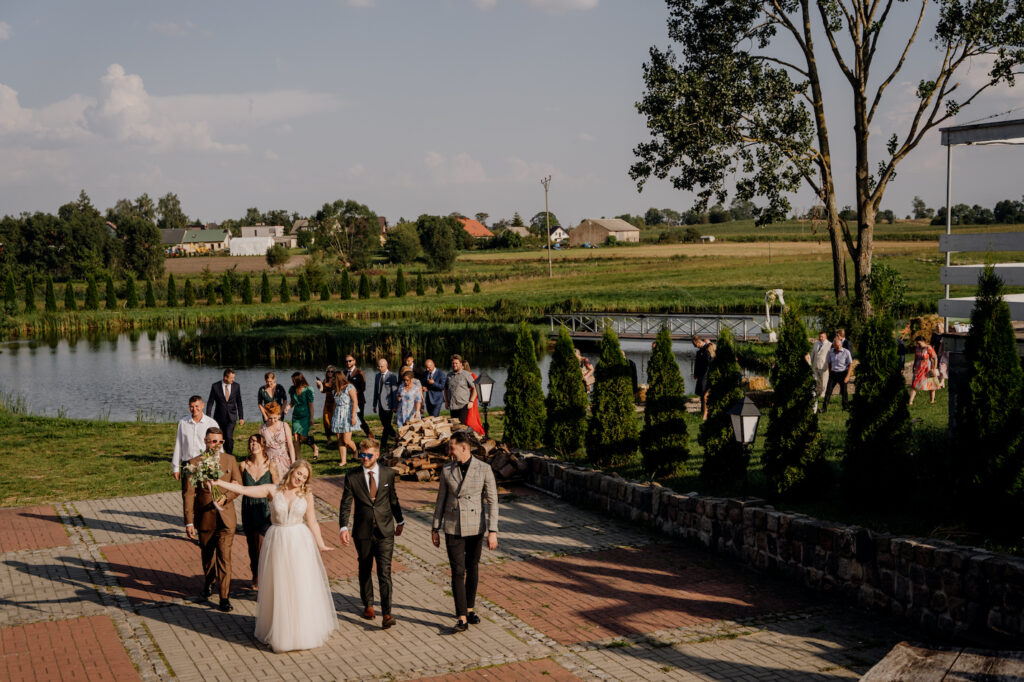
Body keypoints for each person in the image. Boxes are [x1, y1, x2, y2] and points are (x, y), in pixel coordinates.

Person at [212, 460, 336, 653]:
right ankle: (280, 630)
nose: (300, 478)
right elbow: (245, 490)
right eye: (299, 474)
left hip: (298, 542)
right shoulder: (273, 490)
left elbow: (312, 521)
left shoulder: (306, 494)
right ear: (292, 471)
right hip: (278, 540)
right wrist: (219, 483)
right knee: (280, 585)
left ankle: (302, 630)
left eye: (304, 477)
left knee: (299, 585)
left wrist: (320, 544)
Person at [432, 430, 499, 633]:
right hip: (453, 526)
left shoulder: (484, 469)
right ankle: (461, 616)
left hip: (475, 527)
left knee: (472, 568)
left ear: (464, 448)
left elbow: (493, 501)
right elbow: (440, 500)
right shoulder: (446, 470)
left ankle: (469, 608)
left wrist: (493, 530)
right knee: (457, 571)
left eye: (452, 448)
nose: (449, 452)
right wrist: (435, 527)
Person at [339, 440, 404, 629]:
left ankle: (387, 613)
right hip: (363, 531)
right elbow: (345, 503)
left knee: (385, 571)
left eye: (368, 455)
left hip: (385, 530)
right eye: (362, 454)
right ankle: (368, 604)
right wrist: (343, 526)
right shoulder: (352, 476)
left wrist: (400, 520)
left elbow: (393, 500)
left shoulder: (388, 474)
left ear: (376, 455)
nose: (364, 458)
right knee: (365, 568)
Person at [182, 427, 242, 612]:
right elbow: (189, 494)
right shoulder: (194, 463)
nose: (217, 445)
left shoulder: (230, 461)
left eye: (220, 441)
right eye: (213, 441)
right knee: (208, 555)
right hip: (205, 517)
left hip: (226, 518)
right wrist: (189, 521)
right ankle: (209, 581)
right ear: (205, 441)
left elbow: (238, 486)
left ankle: (224, 597)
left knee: (225, 557)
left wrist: (226, 497)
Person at [240, 434, 279, 591]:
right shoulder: (243, 465)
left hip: (264, 510)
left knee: (263, 545)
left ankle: (263, 576)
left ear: (263, 446)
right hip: (248, 508)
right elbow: (237, 486)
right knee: (252, 545)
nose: (253, 444)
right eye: (250, 442)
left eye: (256, 442)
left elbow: (277, 488)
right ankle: (255, 573)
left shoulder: (271, 465)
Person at [171, 395, 219, 480]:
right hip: (187, 464)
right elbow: (178, 445)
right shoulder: (183, 423)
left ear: (202, 406)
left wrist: (217, 466)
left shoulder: (211, 423)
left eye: (197, 406)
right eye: (191, 407)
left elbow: (217, 445)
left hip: (205, 464)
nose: (194, 409)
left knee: (205, 493)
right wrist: (175, 467)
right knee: (187, 493)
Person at [206, 368, 244, 454]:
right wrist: (208, 416)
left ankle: (229, 454)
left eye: (233, 377)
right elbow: (210, 402)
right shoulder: (215, 386)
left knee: (229, 436)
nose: (233, 380)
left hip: (232, 417)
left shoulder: (236, 386)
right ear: (225, 377)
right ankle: (219, 453)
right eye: (231, 378)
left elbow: (239, 402)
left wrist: (241, 417)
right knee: (220, 437)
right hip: (219, 417)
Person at [259, 402, 295, 479]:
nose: (272, 421)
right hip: (269, 461)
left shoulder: (284, 426)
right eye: (270, 418)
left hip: (284, 460)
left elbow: (290, 445)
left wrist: (293, 461)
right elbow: (261, 448)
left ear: (279, 415)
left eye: (275, 418)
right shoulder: (262, 429)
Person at [289, 372, 319, 461]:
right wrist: (287, 408)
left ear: (299, 380)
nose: (293, 382)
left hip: (305, 415)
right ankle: (298, 458)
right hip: (296, 416)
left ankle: (315, 447)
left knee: (303, 437)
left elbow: (310, 405)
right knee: (296, 437)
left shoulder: (308, 390)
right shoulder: (292, 389)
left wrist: (312, 417)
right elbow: (292, 402)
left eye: (294, 380)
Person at [331, 372, 359, 464]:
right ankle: (343, 460)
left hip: (347, 414)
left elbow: (355, 402)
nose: (333, 381)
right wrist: (333, 416)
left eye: (334, 379)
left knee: (346, 440)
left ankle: (355, 451)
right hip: (337, 415)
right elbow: (334, 404)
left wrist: (353, 416)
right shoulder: (336, 390)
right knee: (339, 439)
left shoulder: (349, 387)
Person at [372, 358, 399, 450]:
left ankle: (383, 444)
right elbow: (376, 391)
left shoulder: (392, 376)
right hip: (380, 405)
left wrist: (395, 406)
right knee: (385, 424)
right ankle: (395, 435)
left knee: (386, 425)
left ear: (386, 365)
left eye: (381, 366)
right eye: (378, 366)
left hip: (389, 405)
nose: (380, 368)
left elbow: (394, 393)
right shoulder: (377, 376)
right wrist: (374, 404)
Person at [822, 337, 853, 412]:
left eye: (838, 345)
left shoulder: (846, 352)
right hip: (833, 374)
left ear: (841, 344)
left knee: (844, 391)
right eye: (835, 345)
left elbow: (850, 365)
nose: (836, 347)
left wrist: (847, 377)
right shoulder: (831, 352)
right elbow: (829, 362)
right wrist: (830, 372)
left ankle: (845, 407)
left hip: (842, 373)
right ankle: (824, 408)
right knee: (828, 391)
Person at [445, 355, 477, 425]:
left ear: (461, 364)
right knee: (454, 427)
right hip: (452, 406)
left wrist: (471, 401)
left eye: (456, 363)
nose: (454, 365)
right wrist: (446, 401)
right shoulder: (449, 375)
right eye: (453, 363)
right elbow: (445, 389)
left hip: (463, 406)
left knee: (462, 427)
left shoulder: (466, 374)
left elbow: (475, 388)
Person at [344, 354, 371, 437]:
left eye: (350, 361)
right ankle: (347, 436)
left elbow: (363, 388)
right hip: (347, 401)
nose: (348, 363)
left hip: (359, 400)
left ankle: (369, 434)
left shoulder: (359, 373)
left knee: (360, 418)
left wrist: (353, 393)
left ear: (354, 361)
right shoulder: (344, 373)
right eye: (346, 361)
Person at [909, 336, 940, 405]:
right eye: (917, 343)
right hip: (918, 369)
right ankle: (910, 401)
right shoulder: (917, 348)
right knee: (914, 384)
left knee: (931, 384)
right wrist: (913, 367)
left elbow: (935, 358)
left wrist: (934, 369)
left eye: (919, 343)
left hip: (927, 369)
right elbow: (916, 358)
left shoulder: (928, 348)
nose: (918, 345)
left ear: (923, 341)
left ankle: (932, 401)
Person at [316, 365, 338, 449]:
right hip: (327, 402)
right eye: (328, 371)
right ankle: (329, 439)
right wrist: (319, 385)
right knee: (326, 420)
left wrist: (323, 384)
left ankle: (338, 437)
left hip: (335, 402)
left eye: (332, 371)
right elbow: (322, 391)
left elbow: (332, 387)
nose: (330, 373)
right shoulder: (326, 380)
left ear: (334, 372)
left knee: (335, 420)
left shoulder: (336, 380)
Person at [692, 336, 713, 420]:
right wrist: (695, 373)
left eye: (695, 344)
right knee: (701, 393)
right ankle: (702, 410)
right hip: (701, 374)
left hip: (706, 374)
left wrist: (706, 374)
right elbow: (697, 363)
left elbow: (709, 362)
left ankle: (706, 412)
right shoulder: (700, 351)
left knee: (704, 393)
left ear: (698, 342)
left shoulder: (707, 349)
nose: (694, 346)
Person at [462, 361, 485, 435]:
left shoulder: (472, 376)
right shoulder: (461, 375)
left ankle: (475, 430)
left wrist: (471, 400)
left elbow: (476, 389)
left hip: (471, 399)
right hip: (464, 399)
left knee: (471, 417)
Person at [810, 332, 831, 401]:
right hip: (815, 364)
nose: (820, 338)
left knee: (824, 380)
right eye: (820, 336)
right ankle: (819, 391)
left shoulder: (829, 344)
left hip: (824, 365)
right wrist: (810, 362)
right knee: (816, 379)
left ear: (825, 337)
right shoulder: (816, 343)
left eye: (822, 337)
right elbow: (813, 353)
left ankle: (823, 393)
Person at [931, 321, 949, 389]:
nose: (938, 328)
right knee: (936, 367)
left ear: (942, 327)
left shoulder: (944, 335)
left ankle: (942, 381)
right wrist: (932, 353)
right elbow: (932, 345)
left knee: (942, 367)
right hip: (935, 352)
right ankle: (939, 381)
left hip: (943, 353)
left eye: (939, 327)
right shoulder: (934, 335)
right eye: (937, 327)